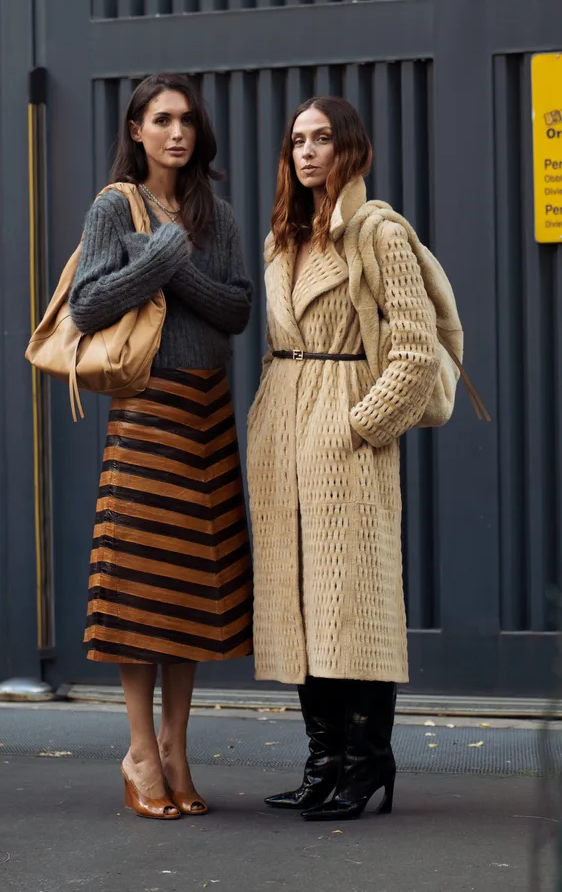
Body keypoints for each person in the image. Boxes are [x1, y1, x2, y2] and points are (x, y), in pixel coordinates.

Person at [246, 97, 441, 822]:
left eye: (321, 138)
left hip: (344, 429)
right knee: (301, 603)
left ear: (348, 146)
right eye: (296, 139)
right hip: (283, 432)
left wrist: (361, 426)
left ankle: (366, 764)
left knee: (353, 603)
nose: (306, 151)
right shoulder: (280, 238)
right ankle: (322, 762)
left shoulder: (377, 231)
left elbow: (416, 350)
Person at [69, 73, 253, 820]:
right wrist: (164, 253)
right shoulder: (114, 206)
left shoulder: (222, 216)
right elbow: (87, 301)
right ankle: (141, 749)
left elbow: (237, 309)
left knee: (189, 592)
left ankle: (178, 746)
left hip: (207, 415)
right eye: (161, 119)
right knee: (139, 590)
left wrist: (170, 260)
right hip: (145, 412)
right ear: (137, 131)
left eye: (185, 120)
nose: (176, 132)